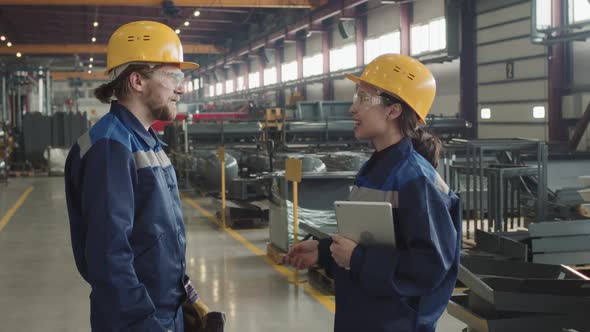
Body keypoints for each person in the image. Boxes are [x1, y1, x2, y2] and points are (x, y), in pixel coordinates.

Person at [285, 54, 461, 332]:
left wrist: (356, 259)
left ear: (394, 111)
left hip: (396, 323)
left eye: (364, 99)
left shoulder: (416, 180)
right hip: (364, 315)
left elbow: (430, 266)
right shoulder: (374, 169)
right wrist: (324, 251)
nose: (353, 109)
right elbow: (373, 238)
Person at [65, 21, 199, 331]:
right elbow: (109, 257)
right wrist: (145, 323)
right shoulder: (111, 148)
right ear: (137, 80)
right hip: (138, 321)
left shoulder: (145, 140)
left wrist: (185, 296)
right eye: (172, 76)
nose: (181, 87)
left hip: (164, 311)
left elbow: (155, 237)